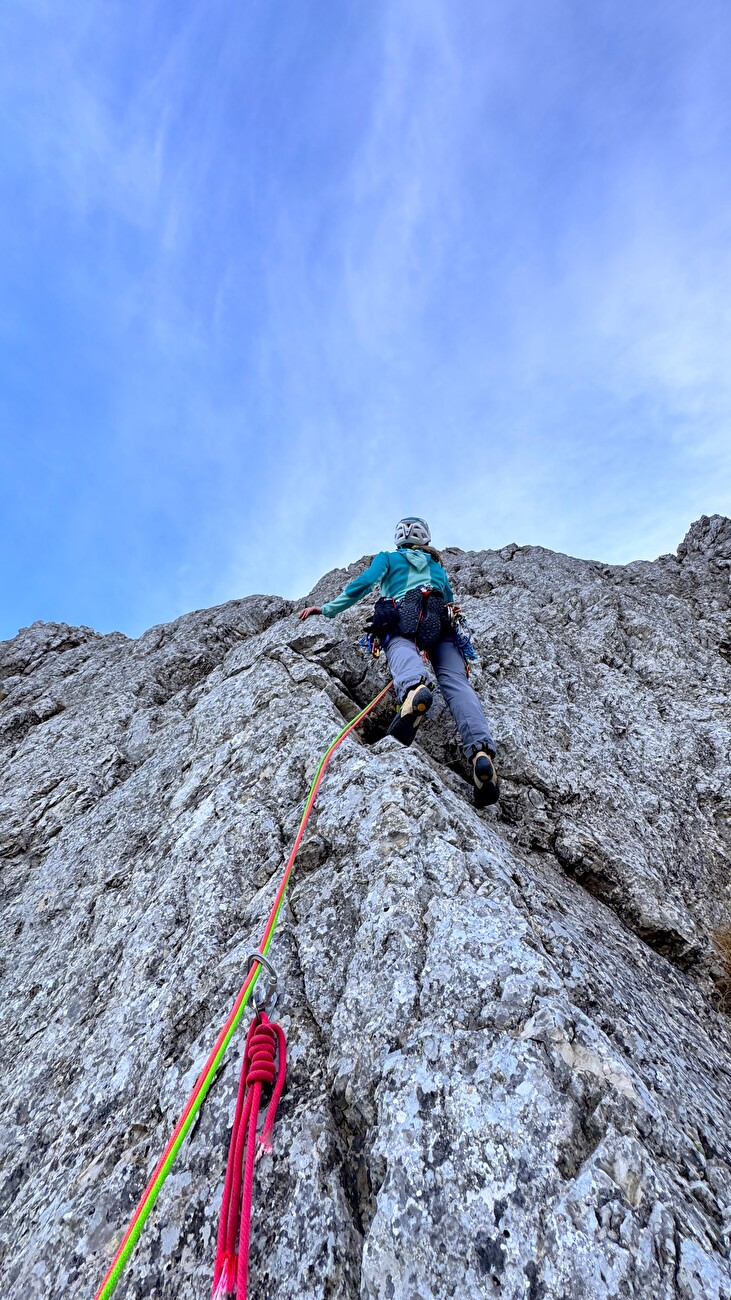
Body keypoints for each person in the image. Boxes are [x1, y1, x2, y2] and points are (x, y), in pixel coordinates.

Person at [299, 517, 499, 805]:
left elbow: (365, 582)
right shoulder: (436, 568)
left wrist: (329, 608)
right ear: (425, 540)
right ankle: (481, 752)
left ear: (399, 539)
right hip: (440, 618)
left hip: (403, 608)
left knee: (399, 643)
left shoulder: (388, 558)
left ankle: (414, 689)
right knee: (456, 682)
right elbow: (451, 600)